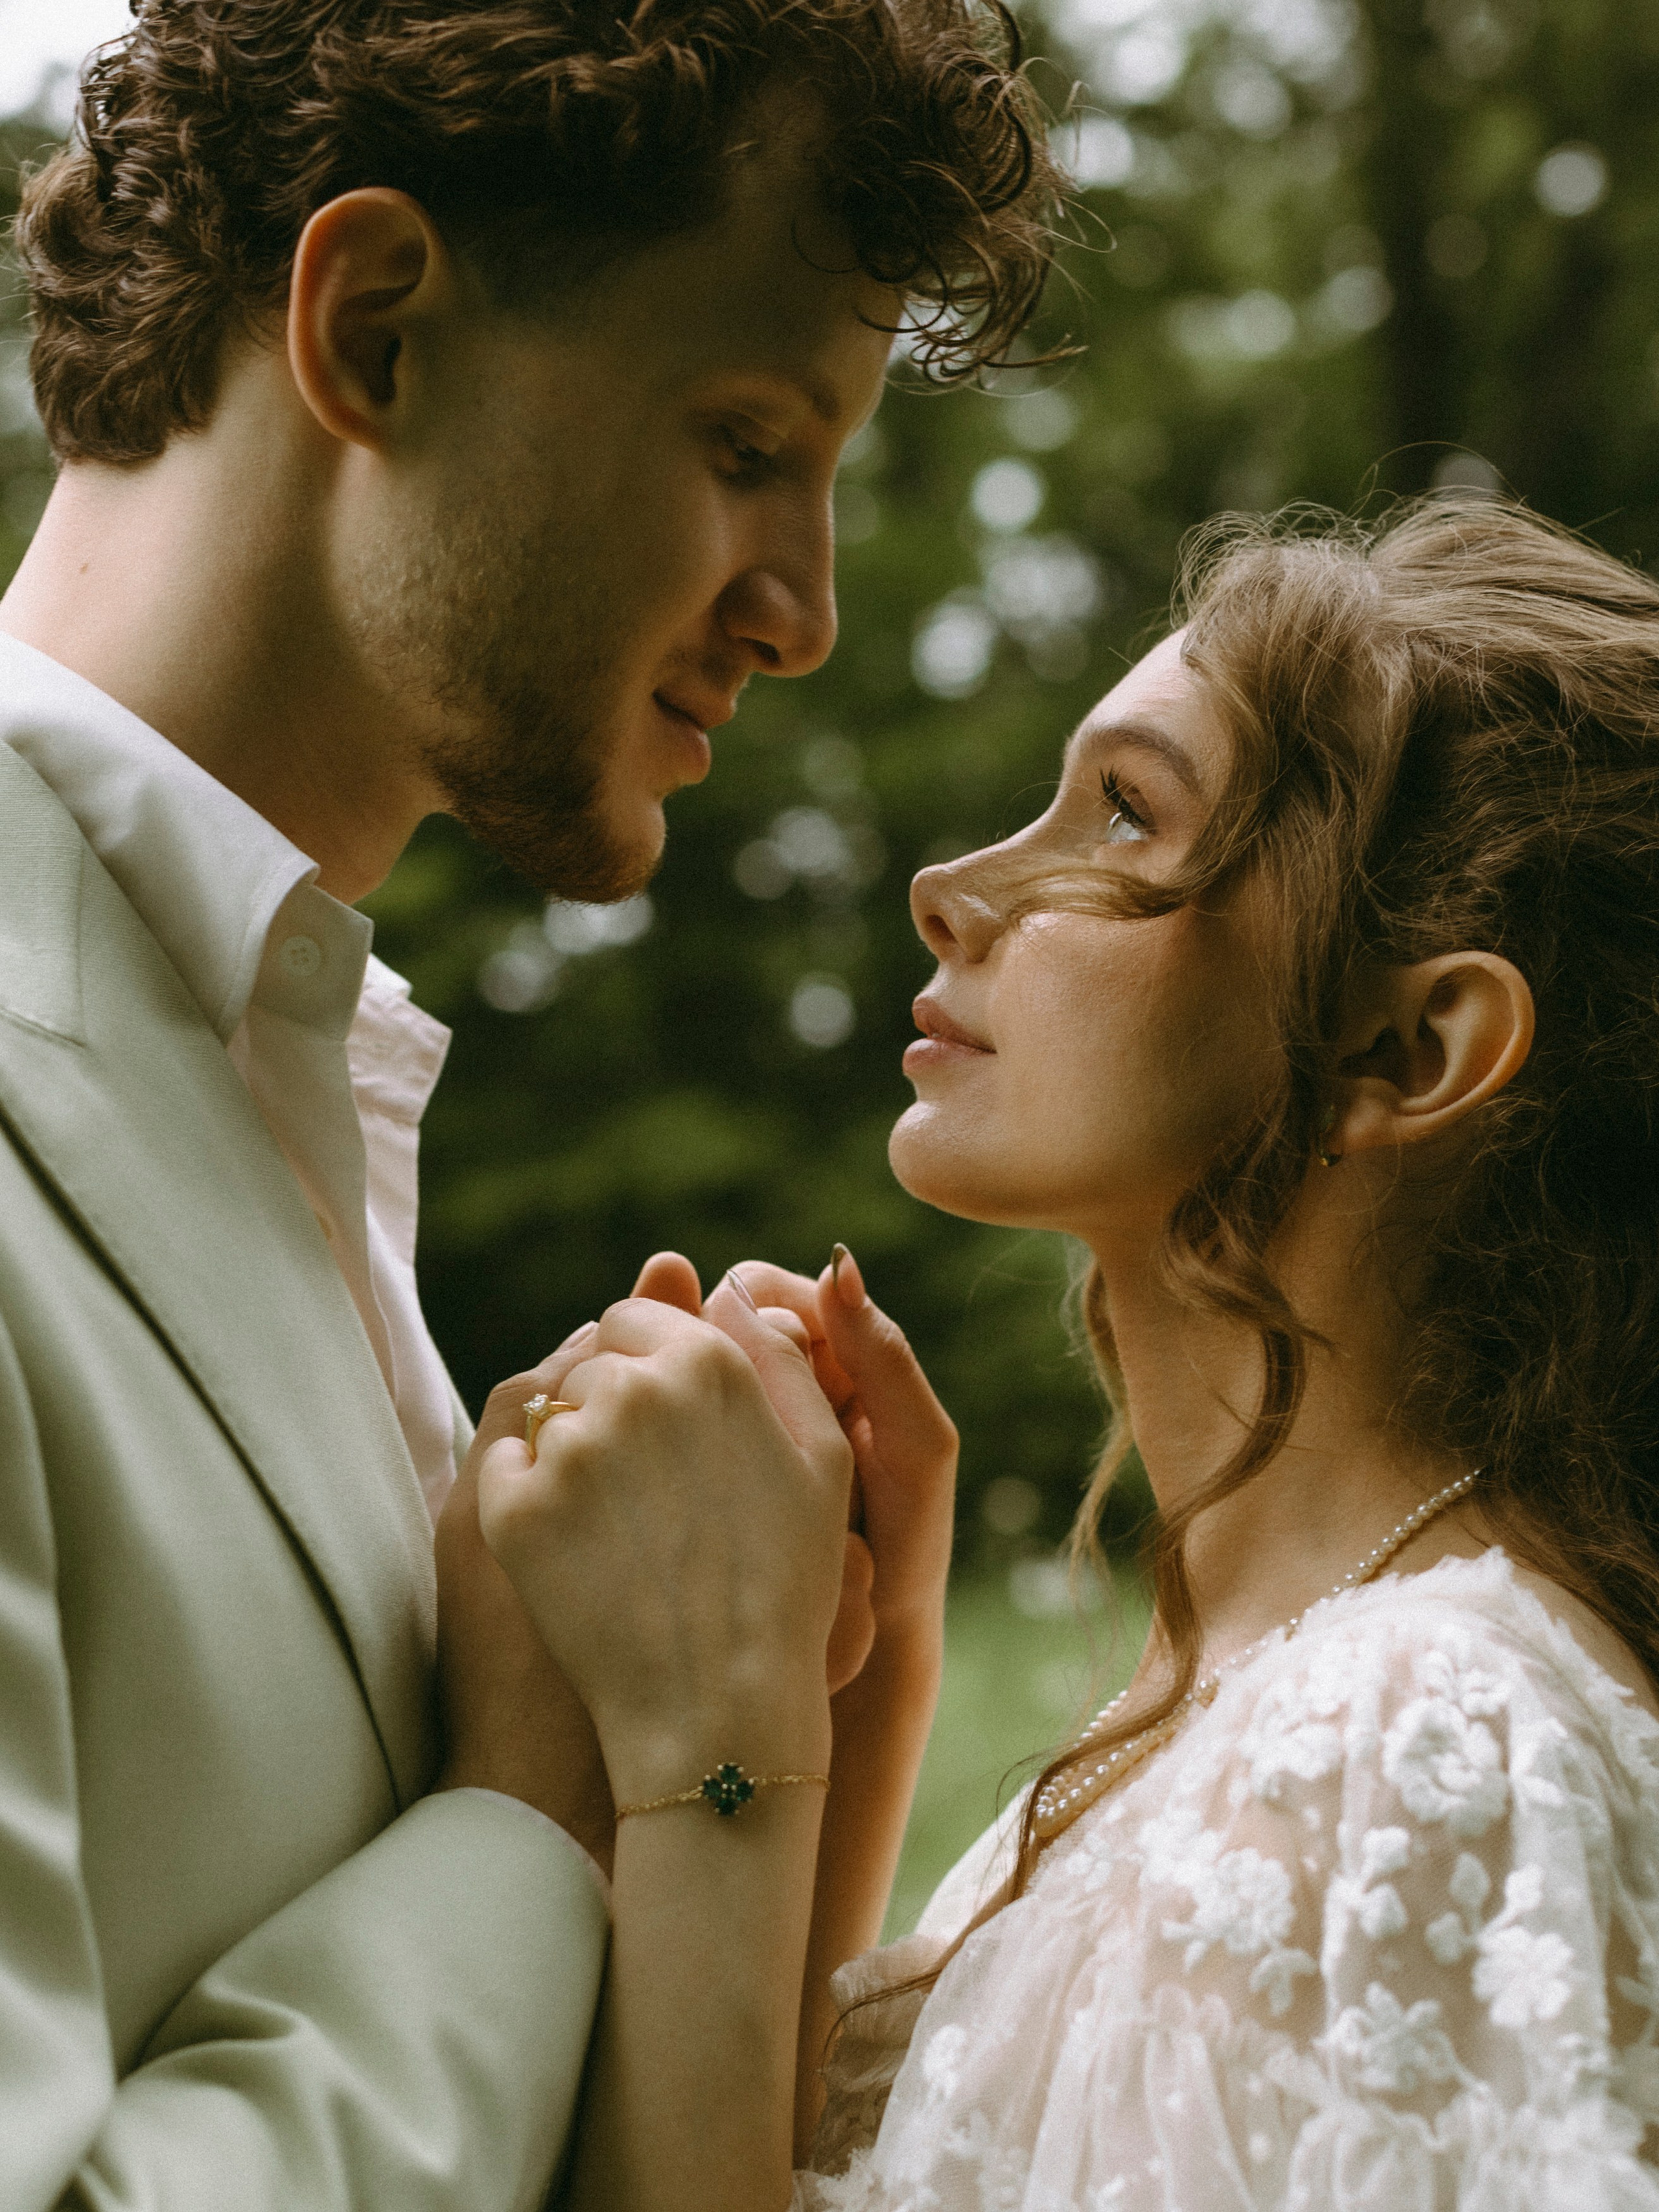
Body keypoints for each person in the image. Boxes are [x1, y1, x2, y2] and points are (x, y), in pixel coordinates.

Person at [0, 2, 1062, 2206]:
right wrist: (526, 1815)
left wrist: (790, 1728)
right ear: (376, 331)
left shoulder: (289, 1075)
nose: (813, 609)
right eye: (748, 438)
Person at [486, 495, 1659, 2209]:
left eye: (1121, 816)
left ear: (1406, 1051)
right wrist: (854, 1702)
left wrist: (715, 1745)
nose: (951, 891)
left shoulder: (1422, 1736)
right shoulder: (1243, 1704)